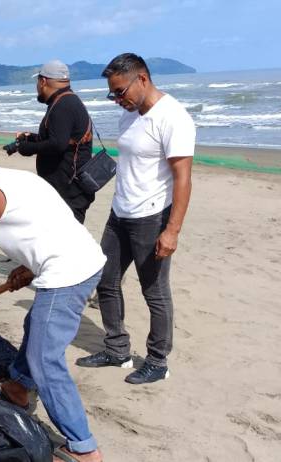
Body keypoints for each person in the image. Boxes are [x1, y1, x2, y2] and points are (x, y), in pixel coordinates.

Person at [0, 141, 107, 462]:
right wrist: (29, 266)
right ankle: (18, 388)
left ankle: (83, 448)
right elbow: (48, 223)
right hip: (81, 259)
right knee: (36, 323)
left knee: (45, 360)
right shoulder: (13, 177)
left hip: (67, 273)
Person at [75, 53, 195, 385]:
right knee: (106, 280)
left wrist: (172, 230)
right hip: (120, 213)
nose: (116, 100)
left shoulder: (173, 118)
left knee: (154, 291)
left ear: (141, 79)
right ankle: (117, 350)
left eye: (119, 91)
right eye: (111, 94)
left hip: (152, 217)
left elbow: (183, 178)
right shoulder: (129, 116)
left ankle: (158, 361)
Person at [14, 60, 95, 224]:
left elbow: (58, 144)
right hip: (68, 188)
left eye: (37, 82)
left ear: (43, 81)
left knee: (65, 242)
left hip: (69, 191)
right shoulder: (67, 101)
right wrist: (32, 138)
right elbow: (61, 138)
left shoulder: (63, 104)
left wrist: (26, 148)